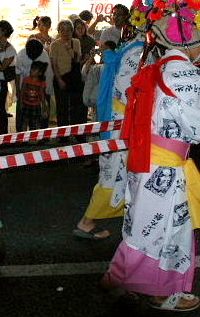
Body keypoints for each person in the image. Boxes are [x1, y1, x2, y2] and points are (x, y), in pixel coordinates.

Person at [102, 0, 200, 312]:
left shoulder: (156, 65)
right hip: (164, 168)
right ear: (195, 37)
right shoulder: (187, 74)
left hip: (143, 161)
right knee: (165, 232)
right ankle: (159, 291)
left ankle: (124, 277)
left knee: (140, 225)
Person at [74, 28, 149, 240]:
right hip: (123, 123)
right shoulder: (140, 51)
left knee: (122, 174)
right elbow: (128, 89)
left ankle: (136, 224)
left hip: (123, 121)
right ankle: (87, 222)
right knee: (114, 175)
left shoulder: (136, 45)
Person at [50, 19, 87, 142]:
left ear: (72, 31)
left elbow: (77, 59)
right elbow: (53, 64)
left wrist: (69, 49)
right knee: (62, 108)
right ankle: (63, 136)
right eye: (62, 30)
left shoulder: (76, 42)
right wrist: (59, 79)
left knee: (77, 107)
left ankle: (78, 134)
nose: (65, 32)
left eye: (68, 30)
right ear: (59, 31)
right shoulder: (54, 44)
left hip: (74, 78)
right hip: (61, 77)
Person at [15, 39, 54, 131]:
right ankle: (20, 135)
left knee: (41, 113)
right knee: (22, 112)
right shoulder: (21, 55)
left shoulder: (44, 56)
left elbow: (47, 75)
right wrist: (18, 90)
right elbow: (17, 73)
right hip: (25, 86)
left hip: (41, 86)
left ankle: (43, 134)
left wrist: (44, 93)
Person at [19, 61, 48, 131]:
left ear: (40, 73)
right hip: (26, 104)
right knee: (24, 121)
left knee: (34, 123)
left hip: (36, 106)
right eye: (32, 68)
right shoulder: (26, 80)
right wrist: (20, 102)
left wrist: (44, 106)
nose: (31, 70)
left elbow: (42, 95)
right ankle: (24, 138)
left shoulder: (41, 82)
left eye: (34, 69)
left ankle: (32, 139)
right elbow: (22, 92)